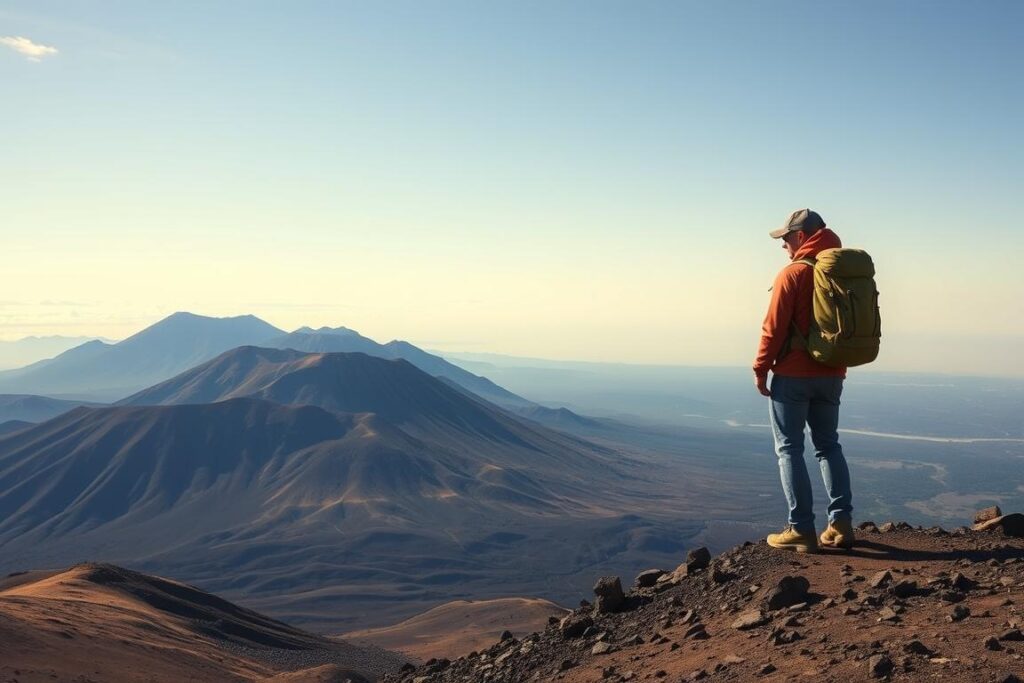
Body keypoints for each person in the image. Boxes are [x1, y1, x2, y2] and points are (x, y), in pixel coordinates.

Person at [753, 208, 854, 553]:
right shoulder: (842, 271)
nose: (782, 245)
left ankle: (801, 530)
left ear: (800, 236)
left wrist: (760, 367)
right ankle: (841, 524)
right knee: (829, 446)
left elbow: (774, 327)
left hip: (793, 375)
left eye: (785, 238)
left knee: (790, 449)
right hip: (833, 373)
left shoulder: (793, 273)